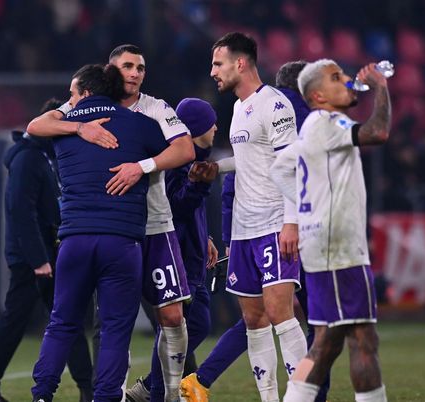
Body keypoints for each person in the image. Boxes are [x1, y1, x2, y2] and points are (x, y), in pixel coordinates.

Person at [28, 44, 195, 402]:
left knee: (171, 315)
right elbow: (38, 123)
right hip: (124, 235)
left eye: (140, 68)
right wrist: (79, 128)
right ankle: (112, 395)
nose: (134, 73)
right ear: (110, 72)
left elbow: (185, 150)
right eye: (127, 67)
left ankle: (168, 392)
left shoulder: (154, 109)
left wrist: (142, 166)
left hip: (152, 224)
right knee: (113, 324)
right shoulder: (90, 115)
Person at [181, 61, 330, 402]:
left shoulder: (255, 107)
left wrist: (233, 236)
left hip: (255, 227)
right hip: (293, 227)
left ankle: (203, 380)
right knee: (301, 317)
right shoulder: (298, 115)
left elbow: (239, 175)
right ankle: (307, 395)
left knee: (260, 315)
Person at [272, 59, 390, 402]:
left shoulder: (313, 128)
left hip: (323, 243)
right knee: (362, 337)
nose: (348, 81)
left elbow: (280, 168)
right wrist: (381, 87)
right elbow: (378, 133)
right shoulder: (329, 122)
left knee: (327, 341)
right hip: (337, 246)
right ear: (319, 95)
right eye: (337, 78)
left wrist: (307, 206)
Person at [0, 98, 93, 402]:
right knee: (22, 323)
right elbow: (21, 210)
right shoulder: (29, 159)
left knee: (65, 319)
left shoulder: (39, 156)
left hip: (46, 252)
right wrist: (38, 258)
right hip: (33, 258)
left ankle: (87, 387)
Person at [128, 98, 220, 402]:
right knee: (176, 328)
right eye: (210, 123)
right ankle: (155, 392)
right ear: (195, 128)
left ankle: (151, 388)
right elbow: (175, 207)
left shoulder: (193, 160)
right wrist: (198, 186)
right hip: (175, 255)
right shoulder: (175, 161)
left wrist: (204, 236)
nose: (216, 128)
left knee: (195, 324)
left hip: (192, 254)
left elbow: (190, 213)